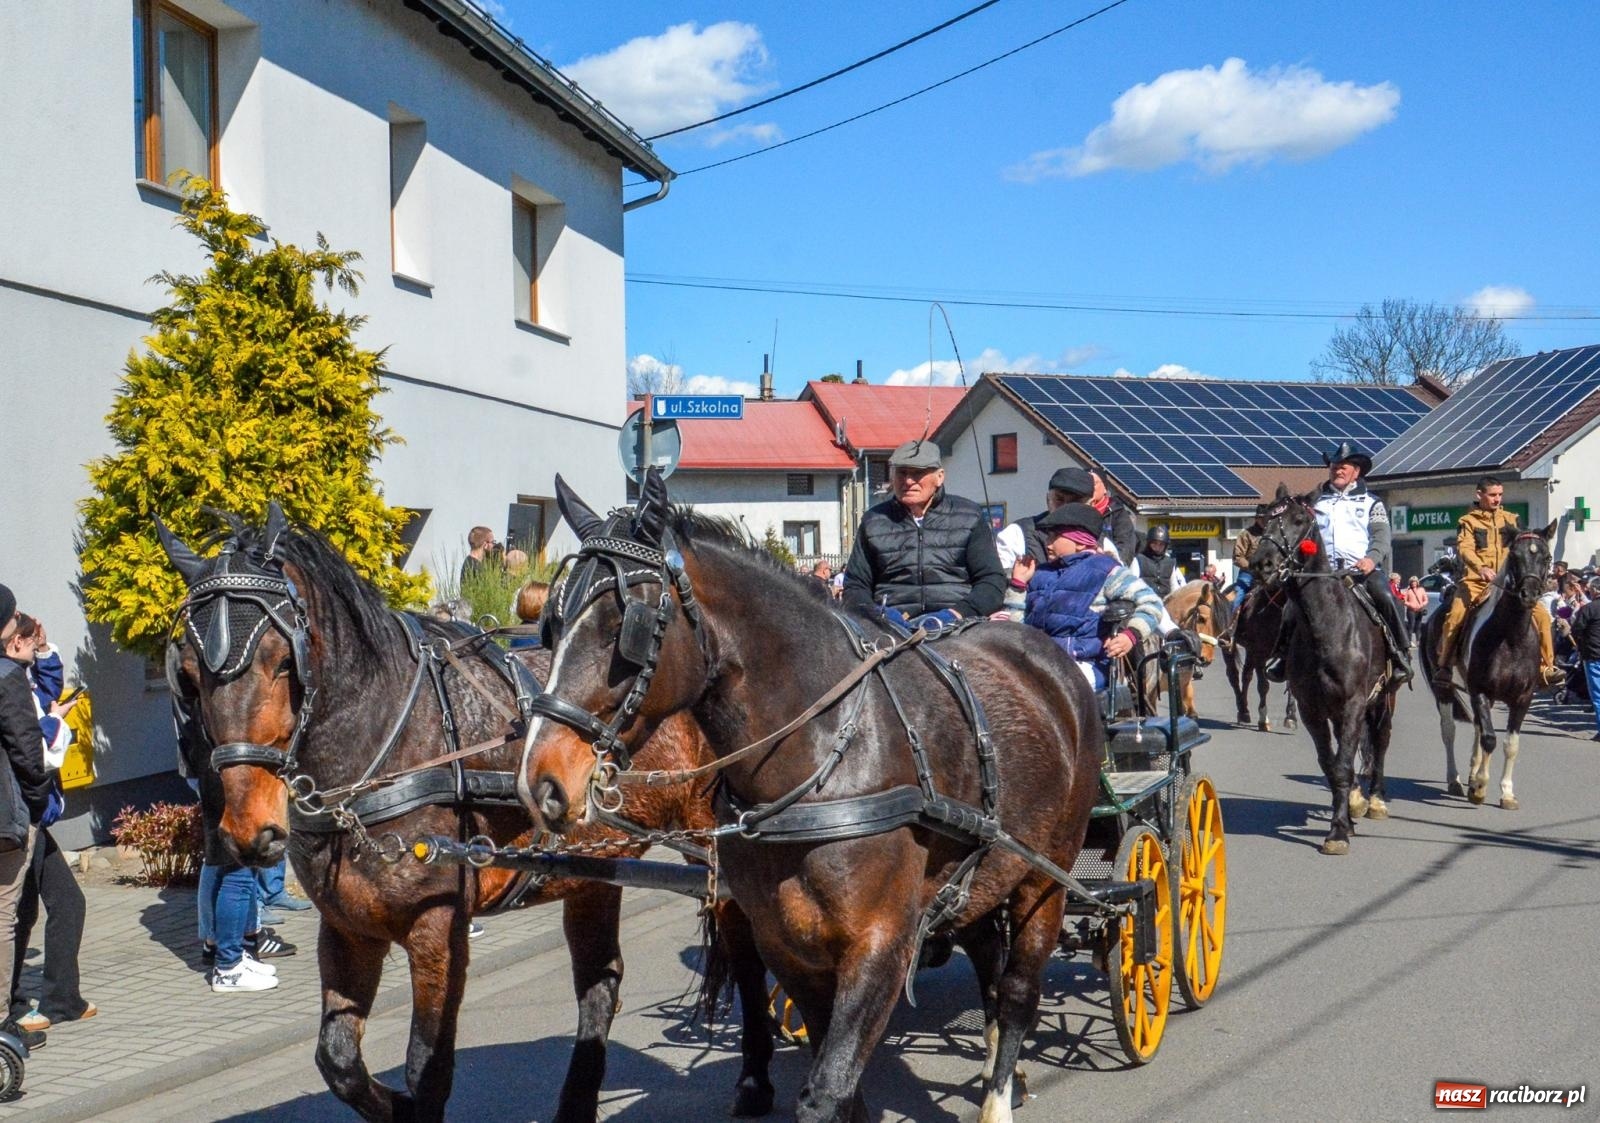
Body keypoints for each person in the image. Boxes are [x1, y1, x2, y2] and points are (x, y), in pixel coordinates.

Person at [5, 615, 93, 1032]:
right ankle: (35, 1004)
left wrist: (44, 650)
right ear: (10, 643)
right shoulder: (9, 682)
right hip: (25, 814)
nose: (30, 641)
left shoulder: (19, 675)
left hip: (30, 813)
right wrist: (57, 722)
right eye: (25, 637)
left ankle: (46, 999)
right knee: (46, 908)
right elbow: (33, 745)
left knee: (27, 911)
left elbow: (47, 689)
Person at [1265, 442, 1413, 684]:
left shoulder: (1371, 502)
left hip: (1360, 572)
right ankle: (1282, 656)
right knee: (1291, 606)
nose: (1337, 471)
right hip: (1321, 573)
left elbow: (1381, 536)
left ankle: (1400, 653)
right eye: (1334, 466)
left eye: (1343, 467)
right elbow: (1301, 534)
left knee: (1386, 596)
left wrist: (1371, 558)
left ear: (1357, 471)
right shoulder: (1314, 502)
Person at [842, 439, 1005, 630]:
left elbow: (992, 581)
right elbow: (855, 586)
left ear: (939, 477)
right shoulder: (874, 521)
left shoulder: (969, 516)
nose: (908, 481)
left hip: (958, 626)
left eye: (918, 473)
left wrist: (957, 613)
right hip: (890, 627)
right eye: (902, 473)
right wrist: (879, 614)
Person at [1013, 503, 1163, 690]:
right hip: (1035, 661)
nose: (1047, 543)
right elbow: (1015, 627)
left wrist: (1130, 636)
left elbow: (1152, 603)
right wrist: (1018, 586)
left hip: (1086, 665)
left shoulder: (1107, 570)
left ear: (1081, 542)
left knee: (1045, 690)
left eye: (1055, 536)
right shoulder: (1038, 573)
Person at [1433, 476, 1562, 688]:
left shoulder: (1512, 519)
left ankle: (1546, 668)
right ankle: (1444, 666)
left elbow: (1525, 544)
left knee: (1542, 617)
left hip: (1507, 583)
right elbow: (1464, 549)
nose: (1497, 499)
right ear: (1479, 495)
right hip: (1475, 582)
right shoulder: (1468, 522)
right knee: (1455, 617)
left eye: (1500, 495)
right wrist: (1480, 568)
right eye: (1493, 495)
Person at [0, 586, 50, 1048]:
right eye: (13, 614)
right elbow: (28, 753)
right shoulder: (7, 676)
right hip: (5, 819)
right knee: (3, 916)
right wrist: (36, 802)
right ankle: (0, 1027)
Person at [995, 466, 1097, 570]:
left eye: (1075, 502)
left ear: (1091, 505)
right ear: (1048, 499)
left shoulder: (1103, 541)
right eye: (1059, 499)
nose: (1066, 507)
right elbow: (1001, 581)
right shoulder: (1016, 535)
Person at [1571, 578, 1600, 741]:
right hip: (1593, 653)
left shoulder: (1589, 609)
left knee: (1598, 694)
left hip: (1593, 655)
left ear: (1595, 591)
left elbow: (1576, 630)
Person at [1089, 471, 1138, 565]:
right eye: (1086, 483)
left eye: (1094, 483)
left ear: (1104, 489)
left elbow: (1125, 547)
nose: (1090, 487)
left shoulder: (1118, 513)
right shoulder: (1075, 512)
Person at [1134, 524, 1186, 598]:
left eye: (1161, 544)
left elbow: (1174, 585)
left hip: (1165, 601)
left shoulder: (1170, 562)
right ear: (1149, 543)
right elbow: (1133, 582)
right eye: (1154, 543)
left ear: (1165, 546)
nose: (1157, 547)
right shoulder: (1139, 560)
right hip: (1145, 600)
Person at [1401, 576, 1429, 647]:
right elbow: (1404, 601)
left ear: (1417, 582)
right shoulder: (1408, 591)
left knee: (1418, 626)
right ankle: (1409, 641)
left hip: (1419, 610)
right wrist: (1411, 605)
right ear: (1410, 583)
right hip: (1411, 611)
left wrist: (1422, 604)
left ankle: (1418, 641)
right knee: (1411, 625)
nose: (1414, 583)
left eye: (1415, 582)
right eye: (1412, 582)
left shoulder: (1421, 590)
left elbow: (1426, 599)